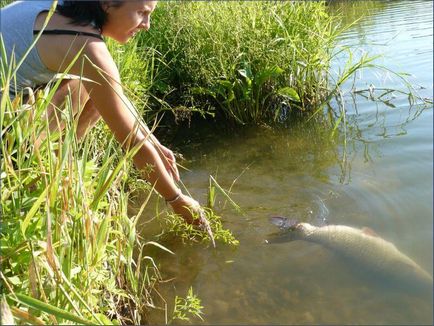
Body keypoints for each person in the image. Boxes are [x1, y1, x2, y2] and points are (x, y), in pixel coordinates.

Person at [0, 0, 211, 230]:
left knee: (89, 85)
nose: (147, 25)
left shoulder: (70, 11)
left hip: (12, 94)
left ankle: (57, 163)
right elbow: (131, 141)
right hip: (6, 118)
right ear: (108, 4)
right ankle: (34, 180)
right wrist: (177, 199)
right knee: (90, 84)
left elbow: (113, 94)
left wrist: (152, 139)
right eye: (142, 13)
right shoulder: (86, 45)